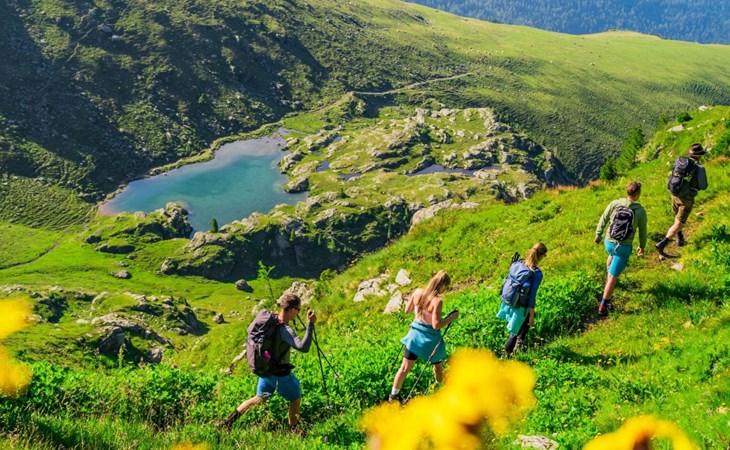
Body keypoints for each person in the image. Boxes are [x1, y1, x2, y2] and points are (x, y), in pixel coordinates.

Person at [221, 294, 316, 433]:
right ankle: (295, 431)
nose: (298, 313)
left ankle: (228, 422)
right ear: (292, 310)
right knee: (295, 398)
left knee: (260, 399)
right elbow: (303, 347)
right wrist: (310, 324)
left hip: (266, 371)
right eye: (298, 310)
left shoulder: (271, 320)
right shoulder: (285, 330)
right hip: (280, 375)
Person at [389, 270, 458, 403]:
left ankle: (393, 396)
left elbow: (407, 310)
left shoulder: (417, 292)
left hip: (414, 337)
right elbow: (436, 325)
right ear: (443, 286)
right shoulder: (437, 301)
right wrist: (451, 317)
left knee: (404, 368)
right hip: (430, 340)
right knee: (438, 366)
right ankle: (441, 387)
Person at [594, 181, 647, 317]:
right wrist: (642, 246)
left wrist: (598, 234)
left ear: (627, 191)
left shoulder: (615, 203)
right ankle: (603, 306)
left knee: (611, 257)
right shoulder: (640, 211)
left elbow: (603, 218)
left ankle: (608, 285)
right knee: (613, 276)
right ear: (638, 194)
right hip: (623, 247)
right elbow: (642, 231)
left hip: (609, 242)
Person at [496, 243, 547, 356]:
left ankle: (517, 347)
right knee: (516, 331)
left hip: (510, 301)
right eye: (545, 255)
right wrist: (532, 315)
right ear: (541, 256)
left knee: (520, 327)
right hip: (521, 307)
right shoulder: (536, 274)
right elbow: (532, 296)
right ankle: (508, 354)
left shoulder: (519, 263)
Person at [656, 143, 708, 253]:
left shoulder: (680, 162)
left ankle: (680, 238)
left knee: (677, 216)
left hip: (674, 193)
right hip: (686, 198)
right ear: (699, 155)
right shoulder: (699, 168)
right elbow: (703, 186)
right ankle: (663, 243)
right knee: (679, 222)